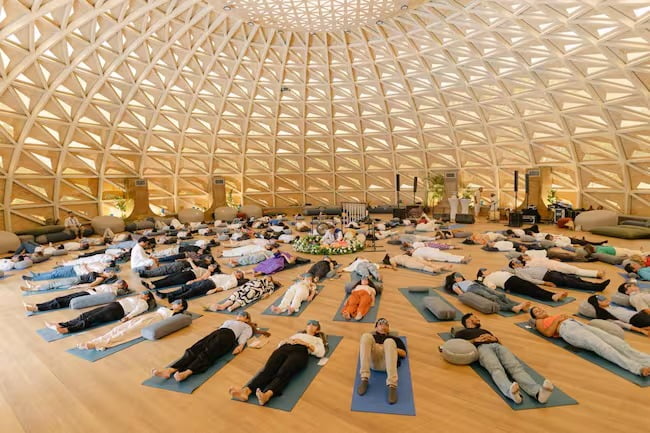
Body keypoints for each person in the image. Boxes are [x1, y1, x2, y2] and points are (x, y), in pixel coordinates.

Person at [455, 313, 554, 404]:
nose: (478, 319)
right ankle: (510, 392)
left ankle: (538, 393)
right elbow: (458, 346)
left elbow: (500, 342)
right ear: (468, 320)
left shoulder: (484, 330)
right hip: (482, 348)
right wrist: (474, 340)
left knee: (516, 367)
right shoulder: (461, 333)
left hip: (497, 346)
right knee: (496, 369)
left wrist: (495, 339)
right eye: (475, 317)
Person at [229, 319, 327, 405]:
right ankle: (246, 391)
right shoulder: (298, 334)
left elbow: (321, 353)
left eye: (314, 324)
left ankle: (267, 395)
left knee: (284, 371)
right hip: (285, 348)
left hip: (300, 351)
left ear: (317, 330)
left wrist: (305, 343)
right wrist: (285, 341)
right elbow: (280, 344)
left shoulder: (317, 339)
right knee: (268, 369)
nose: (310, 325)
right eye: (309, 323)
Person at [530, 307, 650, 376]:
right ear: (535, 317)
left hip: (578, 325)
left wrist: (561, 318)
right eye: (536, 312)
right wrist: (558, 320)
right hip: (567, 331)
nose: (540, 311)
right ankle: (637, 368)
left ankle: (646, 359)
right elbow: (548, 333)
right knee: (603, 347)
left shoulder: (553, 316)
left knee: (616, 342)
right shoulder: (538, 322)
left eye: (540, 309)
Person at [151, 311, 268, 382]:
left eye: (243, 315)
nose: (240, 315)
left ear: (247, 319)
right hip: (218, 332)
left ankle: (186, 373)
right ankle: (170, 370)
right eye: (239, 314)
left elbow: (244, 337)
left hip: (228, 337)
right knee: (194, 349)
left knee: (208, 353)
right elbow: (220, 328)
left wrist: (241, 346)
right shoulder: (228, 321)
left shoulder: (246, 326)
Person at [77, 299, 189, 351]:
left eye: (179, 303)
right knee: (120, 327)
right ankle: (93, 341)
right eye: (177, 301)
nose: (176, 303)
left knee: (128, 331)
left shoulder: (175, 315)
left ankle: (100, 344)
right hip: (149, 316)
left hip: (155, 319)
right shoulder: (167, 308)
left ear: (181, 307)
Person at [44, 291, 156, 334]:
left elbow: (136, 311)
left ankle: (67, 329)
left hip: (118, 311)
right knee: (85, 315)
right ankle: (61, 324)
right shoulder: (137, 298)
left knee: (92, 319)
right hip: (114, 306)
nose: (141, 294)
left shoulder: (143, 304)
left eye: (144, 294)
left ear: (147, 297)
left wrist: (127, 318)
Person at [357, 318, 406, 404]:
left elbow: (403, 353)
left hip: (387, 364)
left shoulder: (395, 339)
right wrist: (376, 346)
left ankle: (392, 385)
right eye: (380, 323)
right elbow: (364, 349)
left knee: (389, 341)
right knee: (365, 336)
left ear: (388, 329)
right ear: (376, 328)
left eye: (386, 324)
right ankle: (364, 379)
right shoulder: (372, 338)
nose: (383, 325)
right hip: (373, 362)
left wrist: (388, 348)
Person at [444, 273, 530, 314]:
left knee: (501, 295)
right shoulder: (455, 285)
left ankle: (520, 306)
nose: (459, 277)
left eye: (459, 276)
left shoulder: (467, 280)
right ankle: (512, 308)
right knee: (492, 297)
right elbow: (461, 294)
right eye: (456, 277)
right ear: (453, 279)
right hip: (472, 289)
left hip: (479, 286)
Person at [24, 280, 130, 312]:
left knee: (62, 302)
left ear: (121, 286)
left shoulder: (113, 290)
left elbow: (103, 295)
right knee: (60, 299)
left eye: (120, 282)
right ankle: (37, 305)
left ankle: (37, 308)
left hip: (89, 294)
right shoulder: (111, 285)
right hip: (88, 291)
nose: (117, 282)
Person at [509, 259, 610, 292]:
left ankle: (596, 285)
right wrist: (545, 283)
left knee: (574, 278)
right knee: (572, 282)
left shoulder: (524, 267)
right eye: (516, 262)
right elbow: (530, 280)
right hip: (548, 277)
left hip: (551, 273)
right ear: (513, 265)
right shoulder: (519, 271)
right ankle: (597, 287)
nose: (519, 262)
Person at [151, 270, 247, 303]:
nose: (235, 272)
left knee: (193, 291)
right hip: (207, 280)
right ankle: (166, 295)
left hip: (211, 284)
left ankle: (175, 298)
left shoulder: (233, 280)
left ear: (239, 276)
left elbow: (226, 286)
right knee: (185, 287)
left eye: (238, 272)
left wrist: (214, 290)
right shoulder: (228, 275)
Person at [480, 268, 568, 302]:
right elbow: (492, 287)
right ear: (483, 274)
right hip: (508, 283)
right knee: (530, 290)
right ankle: (552, 297)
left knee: (533, 286)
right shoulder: (486, 279)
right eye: (485, 271)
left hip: (513, 278)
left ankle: (553, 294)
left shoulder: (495, 271)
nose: (487, 270)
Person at [206, 276, 280, 312]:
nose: (266, 277)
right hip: (247, 286)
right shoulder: (258, 279)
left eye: (268, 277)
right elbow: (249, 282)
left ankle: (233, 307)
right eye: (266, 276)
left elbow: (270, 291)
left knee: (248, 295)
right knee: (236, 294)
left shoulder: (270, 284)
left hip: (257, 289)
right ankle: (223, 305)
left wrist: (267, 294)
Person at [585, 295, 650, 335]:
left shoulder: (611, 307)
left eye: (604, 298)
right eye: (601, 300)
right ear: (596, 304)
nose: (605, 299)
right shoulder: (605, 314)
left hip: (641, 315)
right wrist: (640, 330)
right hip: (637, 319)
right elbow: (621, 324)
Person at [142, 260, 220, 290]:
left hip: (190, 276)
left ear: (213, 270)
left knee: (171, 280)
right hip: (188, 272)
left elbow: (202, 278)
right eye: (212, 265)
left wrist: (192, 281)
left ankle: (154, 286)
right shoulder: (204, 268)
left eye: (213, 266)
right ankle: (152, 283)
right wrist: (190, 261)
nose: (211, 266)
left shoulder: (208, 273)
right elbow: (195, 268)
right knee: (169, 277)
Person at [20, 270, 116, 292]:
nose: (108, 272)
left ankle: (32, 289)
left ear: (109, 277)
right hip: (76, 278)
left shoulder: (100, 278)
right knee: (54, 285)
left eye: (110, 274)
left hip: (77, 281)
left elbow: (91, 284)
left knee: (53, 284)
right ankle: (34, 287)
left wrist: (80, 286)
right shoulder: (99, 273)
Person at [384, 253, 454, 274]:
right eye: (389, 253)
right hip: (408, 263)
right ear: (388, 256)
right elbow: (394, 265)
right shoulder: (391, 259)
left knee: (427, 263)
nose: (390, 253)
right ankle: (434, 270)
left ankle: (443, 267)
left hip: (412, 259)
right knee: (422, 266)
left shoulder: (396, 255)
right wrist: (393, 268)